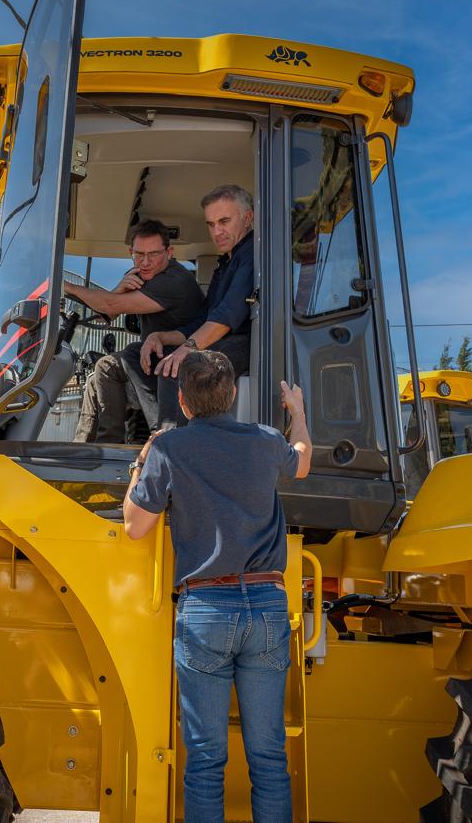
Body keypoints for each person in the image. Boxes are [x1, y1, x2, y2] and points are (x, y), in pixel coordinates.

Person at [122, 350, 312, 823]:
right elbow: (303, 462)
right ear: (231, 397)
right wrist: (298, 412)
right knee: (269, 756)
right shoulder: (267, 440)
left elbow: (134, 527)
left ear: (183, 401)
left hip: (206, 608)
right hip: (268, 605)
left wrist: (143, 456)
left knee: (205, 759)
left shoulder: (170, 449)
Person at [126, 184, 255, 430]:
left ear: (247, 218)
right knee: (136, 352)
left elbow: (226, 317)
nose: (217, 231)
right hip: (220, 338)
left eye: (224, 221)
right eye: (211, 224)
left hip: (244, 341)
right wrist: (159, 337)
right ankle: (163, 433)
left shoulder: (251, 256)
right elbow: (204, 319)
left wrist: (186, 349)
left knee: (180, 365)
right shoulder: (225, 263)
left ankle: (173, 443)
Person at [64, 219, 205, 443]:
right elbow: (105, 316)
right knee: (97, 376)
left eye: (154, 254)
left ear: (169, 252)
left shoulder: (174, 281)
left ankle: (123, 444)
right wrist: (120, 288)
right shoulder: (142, 273)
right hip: (154, 357)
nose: (146, 262)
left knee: (111, 365)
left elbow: (109, 306)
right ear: (131, 251)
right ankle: (88, 451)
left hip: (180, 362)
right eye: (139, 254)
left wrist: (66, 286)